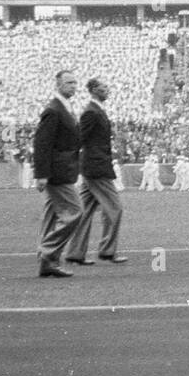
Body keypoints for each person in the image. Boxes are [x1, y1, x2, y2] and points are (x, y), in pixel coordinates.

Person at [63, 77, 128, 266]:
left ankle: (75, 253)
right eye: (103, 87)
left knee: (83, 211)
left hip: (93, 166)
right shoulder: (91, 112)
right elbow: (79, 138)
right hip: (97, 168)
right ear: (93, 90)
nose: (107, 89)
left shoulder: (95, 110)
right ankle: (107, 250)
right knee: (115, 208)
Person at [33, 70, 84, 277]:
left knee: (53, 214)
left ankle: (48, 261)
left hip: (63, 169)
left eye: (74, 82)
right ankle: (47, 253)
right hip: (57, 171)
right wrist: (41, 174)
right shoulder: (54, 110)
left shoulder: (65, 106)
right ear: (58, 85)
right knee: (75, 211)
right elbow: (42, 143)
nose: (73, 86)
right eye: (69, 82)